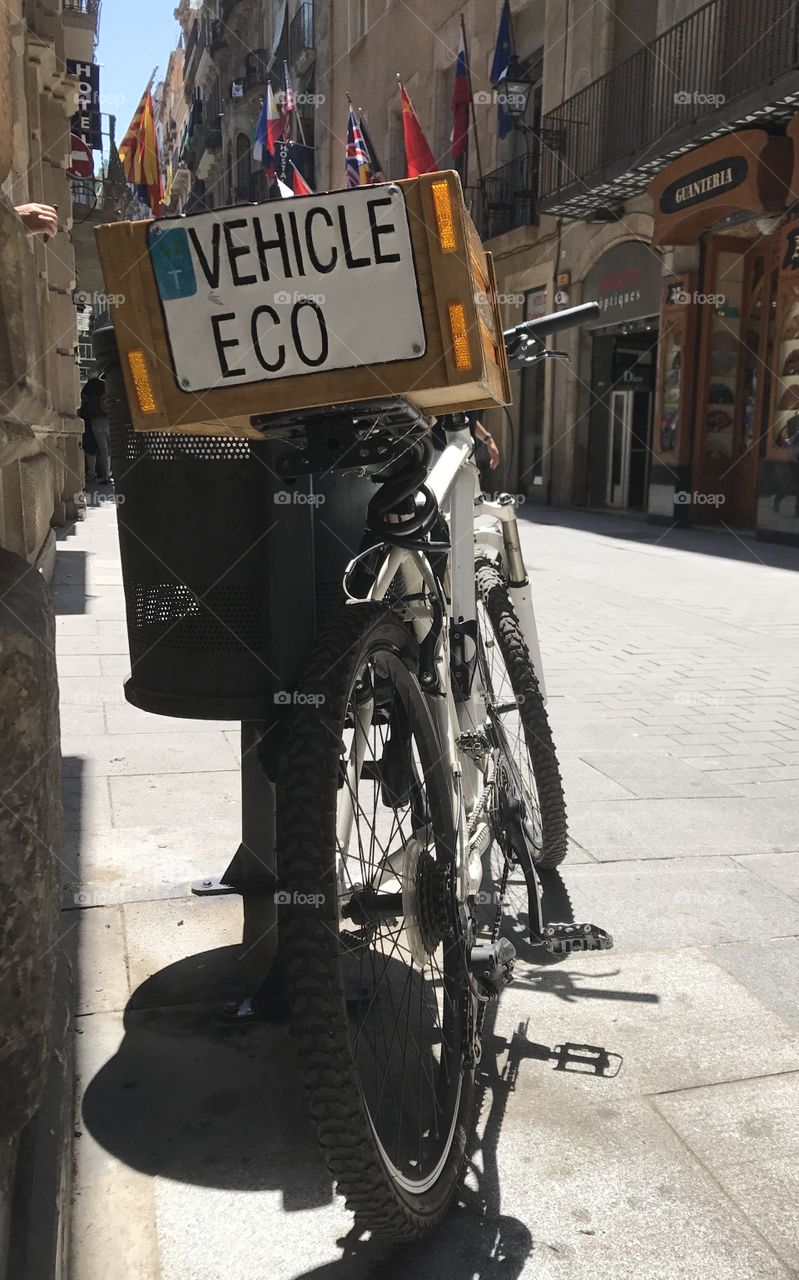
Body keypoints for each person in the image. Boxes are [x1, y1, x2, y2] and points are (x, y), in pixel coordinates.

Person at [81, 377, 111, 483]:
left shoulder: (91, 385)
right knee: (107, 450)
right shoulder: (107, 386)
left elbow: (83, 397)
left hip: (93, 421)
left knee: (94, 448)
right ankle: (106, 474)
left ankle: (92, 473)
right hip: (107, 420)